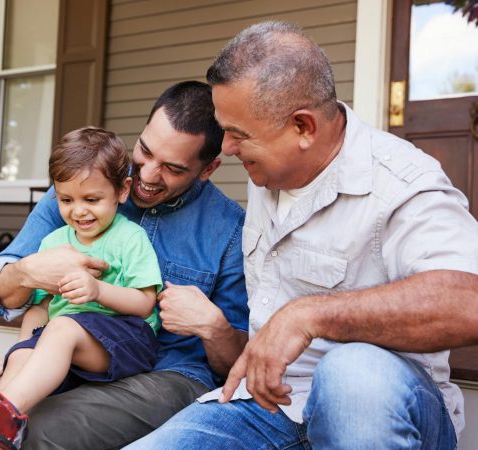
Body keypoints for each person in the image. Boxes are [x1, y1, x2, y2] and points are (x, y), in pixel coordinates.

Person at [125, 21, 478, 450]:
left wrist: (309, 315)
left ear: (304, 128)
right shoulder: (269, 172)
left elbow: (468, 301)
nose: (228, 149)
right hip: (270, 408)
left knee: (352, 372)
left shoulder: (401, 181)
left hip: (379, 412)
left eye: (238, 135)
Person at [0, 81, 249, 450]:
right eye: (145, 151)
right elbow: (5, 286)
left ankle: (3, 415)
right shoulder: (83, 186)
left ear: (208, 168)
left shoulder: (231, 231)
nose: (149, 175)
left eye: (172, 168)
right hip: (68, 351)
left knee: (39, 432)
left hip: (167, 370)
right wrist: (28, 273)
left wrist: (214, 327)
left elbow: (235, 362)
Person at [0, 127, 165, 449]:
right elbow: (40, 307)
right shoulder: (53, 243)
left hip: (126, 340)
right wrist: (17, 350)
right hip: (69, 341)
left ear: (122, 191)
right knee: (28, 348)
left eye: (92, 199)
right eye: (66, 200)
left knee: (60, 328)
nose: (78, 210)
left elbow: (145, 303)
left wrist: (98, 290)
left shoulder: (129, 238)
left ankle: (0, 414)